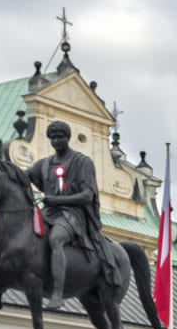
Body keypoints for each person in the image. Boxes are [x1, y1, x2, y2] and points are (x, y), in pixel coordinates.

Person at [28, 120, 117, 309]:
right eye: (52, 137)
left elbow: (87, 196)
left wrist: (58, 200)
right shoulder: (44, 165)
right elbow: (22, 175)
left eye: (60, 137)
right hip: (49, 212)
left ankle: (58, 293)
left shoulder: (82, 162)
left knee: (55, 239)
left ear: (68, 138)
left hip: (73, 215)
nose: (56, 141)